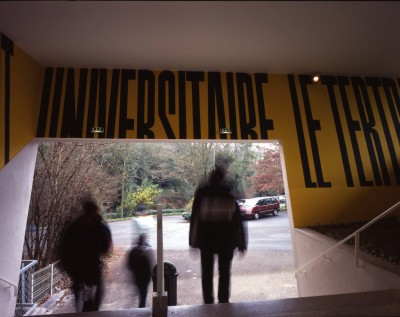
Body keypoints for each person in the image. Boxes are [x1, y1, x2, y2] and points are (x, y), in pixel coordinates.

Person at [189, 166, 247, 304]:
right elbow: (237, 221)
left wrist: (193, 241)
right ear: (222, 179)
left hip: (206, 240)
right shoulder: (228, 195)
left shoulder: (202, 194)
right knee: (225, 273)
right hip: (226, 241)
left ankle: (208, 301)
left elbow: (195, 219)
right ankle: (223, 301)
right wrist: (241, 243)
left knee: (207, 274)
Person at [58, 199, 112, 312]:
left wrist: (65, 261)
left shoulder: (75, 225)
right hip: (90, 262)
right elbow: (106, 245)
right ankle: (94, 310)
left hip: (78, 264)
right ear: (95, 211)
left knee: (78, 285)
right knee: (98, 288)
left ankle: (79, 308)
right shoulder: (99, 225)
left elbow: (65, 245)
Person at [127, 233, 155, 308]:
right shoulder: (147, 251)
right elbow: (150, 265)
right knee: (143, 293)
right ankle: (141, 307)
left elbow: (129, 265)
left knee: (140, 289)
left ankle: (139, 300)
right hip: (145, 277)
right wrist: (151, 275)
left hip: (136, 276)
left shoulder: (133, 250)